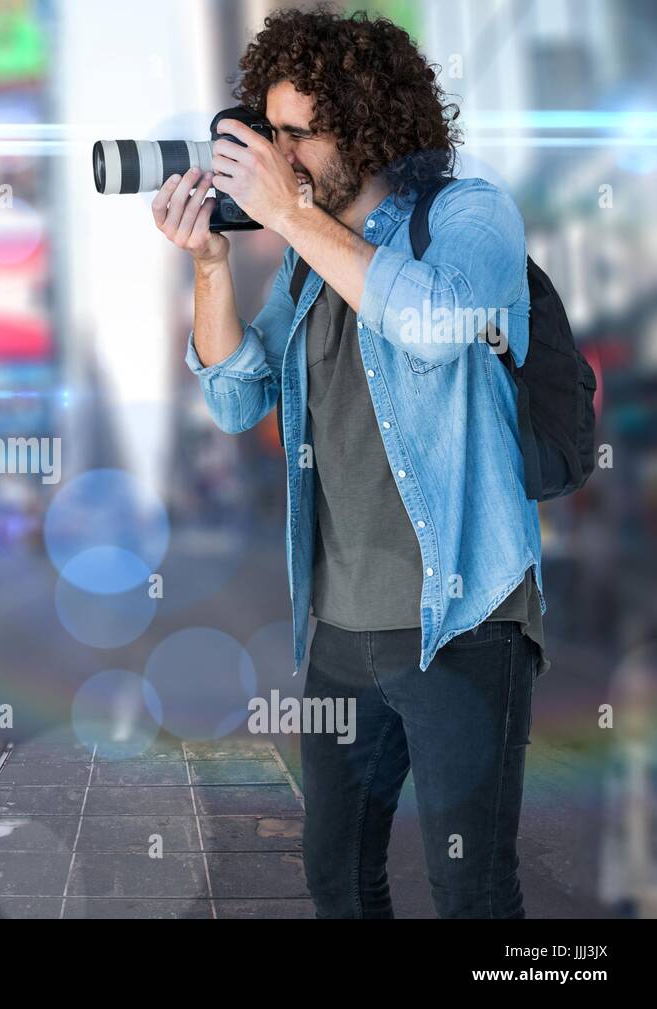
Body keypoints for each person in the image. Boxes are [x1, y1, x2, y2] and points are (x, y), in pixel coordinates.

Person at [153, 6, 545, 918]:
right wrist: (211, 264)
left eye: (299, 135)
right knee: (336, 878)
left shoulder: (468, 214)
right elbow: (235, 395)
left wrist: (287, 215)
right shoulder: (300, 265)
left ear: (369, 124)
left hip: (463, 616)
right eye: (270, 132)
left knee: (472, 890)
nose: (278, 157)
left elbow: (433, 320)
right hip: (340, 634)